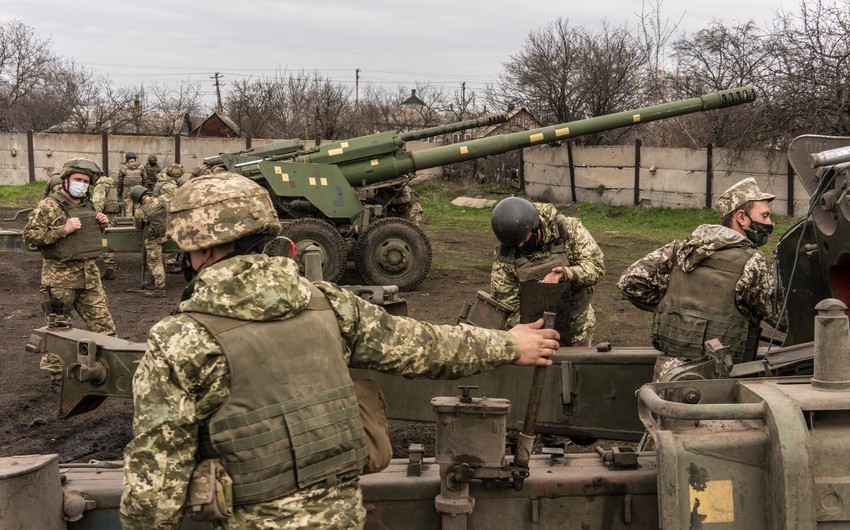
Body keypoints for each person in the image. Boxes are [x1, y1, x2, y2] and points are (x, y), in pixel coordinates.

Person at [120, 172, 559, 529]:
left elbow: (154, 497)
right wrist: (508, 343)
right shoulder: (328, 302)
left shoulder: (179, 340)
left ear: (205, 247)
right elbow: (424, 346)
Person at [617, 177, 781, 381]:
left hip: (667, 377)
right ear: (742, 217)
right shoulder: (754, 263)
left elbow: (629, 281)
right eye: (764, 216)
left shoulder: (679, 249)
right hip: (719, 381)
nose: (769, 223)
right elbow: (783, 318)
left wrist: (671, 309)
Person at [22, 158, 117, 385]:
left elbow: (87, 236)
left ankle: (109, 372)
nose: (82, 185)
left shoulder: (87, 204)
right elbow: (30, 238)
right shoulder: (49, 205)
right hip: (60, 280)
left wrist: (100, 225)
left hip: (89, 277)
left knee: (105, 327)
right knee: (59, 331)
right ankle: (58, 379)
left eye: (86, 181)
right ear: (66, 180)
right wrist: (62, 229)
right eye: (77, 180)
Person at [489, 196, 605, 346]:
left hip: (578, 328)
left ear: (535, 227)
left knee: (579, 368)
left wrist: (565, 274)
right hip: (534, 336)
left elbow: (596, 267)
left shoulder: (568, 229)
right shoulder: (505, 256)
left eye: (524, 241)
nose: (520, 247)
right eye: (515, 244)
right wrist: (531, 335)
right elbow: (507, 305)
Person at [129, 185, 168, 297]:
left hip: (153, 239)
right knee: (156, 259)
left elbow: (138, 226)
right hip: (166, 234)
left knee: (154, 262)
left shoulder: (140, 211)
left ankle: (160, 289)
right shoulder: (162, 199)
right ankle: (154, 279)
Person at [90, 169, 122, 280]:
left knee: (105, 240)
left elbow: (98, 202)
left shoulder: (100, 185)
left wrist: (95, 215)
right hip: (113, 214)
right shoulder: (111, 184)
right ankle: (110, 266)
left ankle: (110, 268)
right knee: (109, 239)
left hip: (104, 215)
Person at [116, 151, 145, 216]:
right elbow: (145, 179)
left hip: (127, 189)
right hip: (139, 190)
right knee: (138, 206)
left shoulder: (123, 168)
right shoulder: (141, 167)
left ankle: (129, 224)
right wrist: (144, 189)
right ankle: (138, 223)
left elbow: (120, 181)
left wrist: (119, 191)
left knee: (128, 207)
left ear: (126, 159)